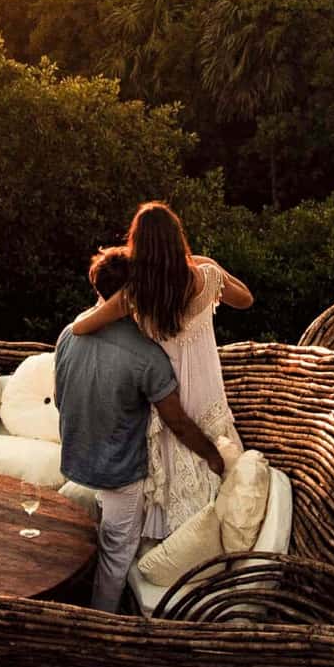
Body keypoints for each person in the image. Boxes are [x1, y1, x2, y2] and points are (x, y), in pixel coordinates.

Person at [67, 201, 254, 537]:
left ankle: (165, 549)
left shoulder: (134, 296)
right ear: (177, 239)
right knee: (217, 487)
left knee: (165, 489)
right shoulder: (206, 277)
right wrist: (210, 265)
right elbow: (245, 300)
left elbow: (81, 327)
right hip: (206, 398)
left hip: (163, 401)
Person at [55, 248, 223, 611]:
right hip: (119, 473)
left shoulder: (70, 333)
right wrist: (213, 455)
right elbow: (177, 422)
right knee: (117, 556)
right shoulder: (146, 355)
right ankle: (102, 623)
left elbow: (59, 396)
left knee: (101, 538)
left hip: (77, 456)